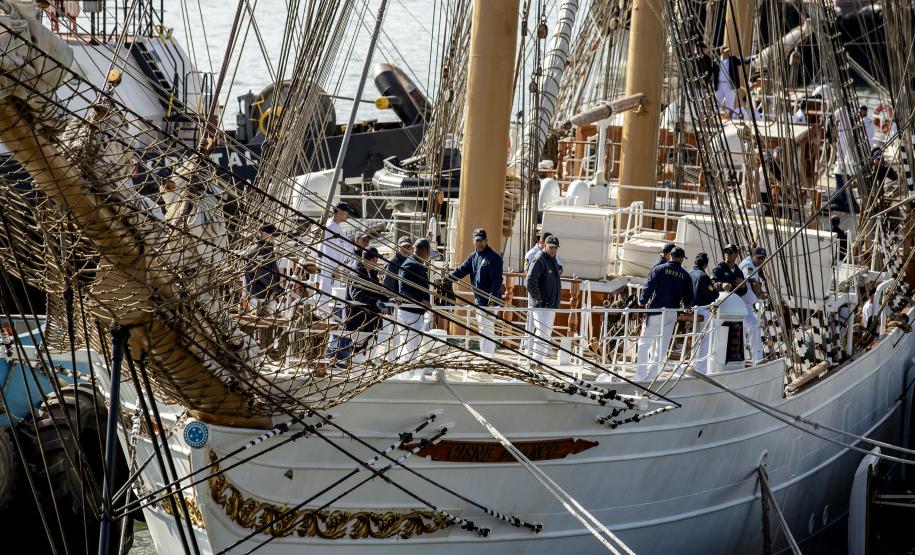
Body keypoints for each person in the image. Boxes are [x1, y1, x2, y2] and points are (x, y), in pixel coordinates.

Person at [636, 247, 694, 380]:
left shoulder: (659, 269)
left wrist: (642, 302)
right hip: (672, 313)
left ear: (671, 256)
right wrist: (687, 307)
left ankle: (640, 376)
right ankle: (653, 376)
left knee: (645, 344)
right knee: (662, 346)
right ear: (681, 258)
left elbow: (648, 288)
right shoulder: (685, 275)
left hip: (656, 310)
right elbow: (689, 298)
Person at [448, 228, 503, 356]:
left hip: (490, 302)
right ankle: (487, 356)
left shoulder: (494, 258)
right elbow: (461, 270)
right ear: (473, 241)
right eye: (477, 240)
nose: (480, 243)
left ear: (486, 240)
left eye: (482, 240)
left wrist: (492, 299)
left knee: (486, 330)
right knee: (484, 329)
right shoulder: (473, 257)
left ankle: (487, 357)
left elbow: (497, 280)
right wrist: (448, 279)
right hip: (480, 301)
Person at [396, 238, 434, 365]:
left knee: (407, 346)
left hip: (411, 312)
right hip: (411, 313)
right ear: (425, 251)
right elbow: (403, 289)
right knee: (411, 348)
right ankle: (406, 376)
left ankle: (402, 376)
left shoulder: (414, 263)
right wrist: (421, 300)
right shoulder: (411, 264)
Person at [526, 235, 561, 365]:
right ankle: (536, 362)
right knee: (542, 333)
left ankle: (539, 361)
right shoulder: (540, 259)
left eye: (555, 248)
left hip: (550, 305)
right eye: (551, 247)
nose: (553, 250)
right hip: (541, 305)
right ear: (545, 246)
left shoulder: (551, 259)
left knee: (546, 333)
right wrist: (539, 300)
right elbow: (530, 281)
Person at [317, 202, 355, 303]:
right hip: (330, 266)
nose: (347, 216)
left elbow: (346, 244)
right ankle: (322, 312)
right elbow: (327, 249)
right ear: (338, 212)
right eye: (346, 213)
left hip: (334, 266)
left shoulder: (336, 226)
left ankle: (323, 311)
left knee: (328, 289)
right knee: (325, 288)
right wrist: (335, 267)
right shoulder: (331, 227)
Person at [243, 224, 284, 312]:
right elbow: (262, 274)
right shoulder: (256, 251)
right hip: (257, 295)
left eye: (273, 235)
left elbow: (273, 271)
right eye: (270, 234)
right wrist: (277, 288)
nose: (272, 237)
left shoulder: (268, 251)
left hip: (269, 294)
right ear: (261, 233)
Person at [689, 252, 718, 373]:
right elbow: (713, 294)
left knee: (695, 339)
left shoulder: (689, 273)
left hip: (690, 310)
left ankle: (694, 363)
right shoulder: (704, 276)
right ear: (706, 264)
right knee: (705, 339)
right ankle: (701, 368)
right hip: (702, 310)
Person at [738, 247, 768, 361]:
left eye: (763, 258)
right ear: (753, 256)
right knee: (754, 325)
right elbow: (753, 281)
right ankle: (757, 357)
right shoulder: (748, 265)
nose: (761, 260)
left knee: (746, 330)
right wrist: (760, 295)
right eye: (759, 258)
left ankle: (744, 357)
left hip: (747, 305)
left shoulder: (754, 265)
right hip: (742, 305)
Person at [715, 46, 752, 118]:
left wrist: (751, 58)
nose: (728, 52)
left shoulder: (733, 59)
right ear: (721, 52)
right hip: (719, 84)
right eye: (726, 51)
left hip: (729, 84)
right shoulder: (716, 61)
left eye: (728, 51)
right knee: (717, 102)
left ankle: (729, 118)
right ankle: (716, 118)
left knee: (730, 103)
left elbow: (742, 60)